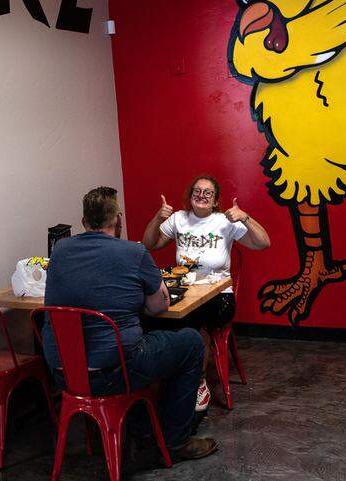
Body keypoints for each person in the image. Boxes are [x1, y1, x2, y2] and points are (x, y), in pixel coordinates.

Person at [43, 186, 218, 461]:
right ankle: (175, 441)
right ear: (118, 220)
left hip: (62, 373)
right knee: (191, 343)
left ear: (84, 222)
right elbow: (157, 306)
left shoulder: (60, 249)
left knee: (136, 338)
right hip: (114, 372)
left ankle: (141, 425)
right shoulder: (132, 253)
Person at [142, 174, 270, 410]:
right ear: (190, 197)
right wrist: (156, 218)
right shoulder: (179, 219)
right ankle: (167, 377)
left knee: (194, 322)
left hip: (219, 296)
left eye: (207, 192)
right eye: (197, 191)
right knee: (152, 315)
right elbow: (150, 243)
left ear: (215, 200)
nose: (201, 196)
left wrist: (245, 217)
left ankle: (196, 380)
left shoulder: (225, 221)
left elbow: (263, 243)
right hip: (185, 292)